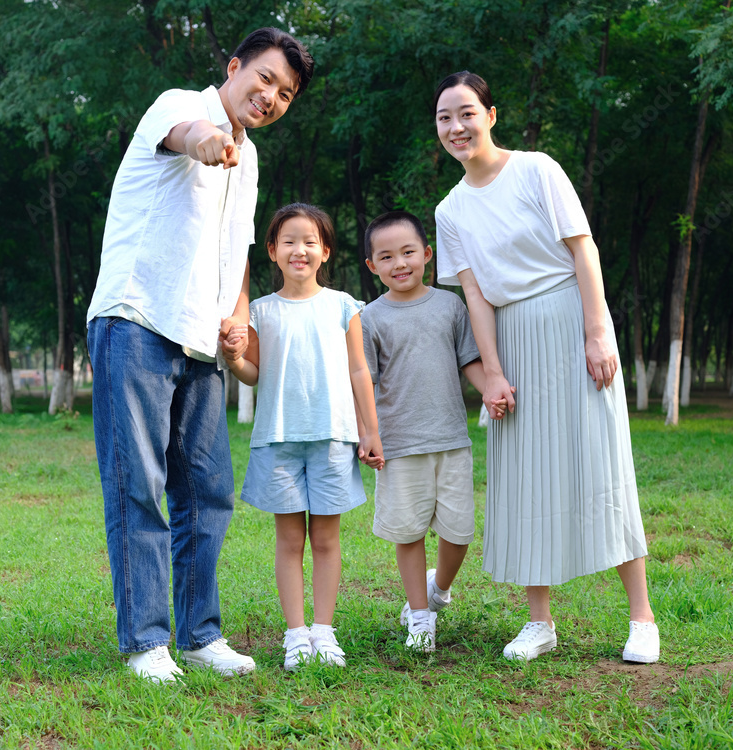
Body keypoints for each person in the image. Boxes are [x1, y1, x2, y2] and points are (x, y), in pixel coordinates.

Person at [85, 28, 314, 684]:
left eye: (286, 93)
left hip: (200, 340)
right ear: (236, 67)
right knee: (138, 484)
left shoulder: (255, 158)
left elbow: (235, 250)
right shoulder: (178, 103)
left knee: (207, 490)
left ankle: (200, 635)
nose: (271, 96)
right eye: (265, 79)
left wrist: (237, 318)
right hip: (137, 318)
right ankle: (145, 642)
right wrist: (208, 143)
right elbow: (186, 135)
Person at [432, 71, 659, 664]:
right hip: (511, 337)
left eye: (466, 113)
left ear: (491, 114)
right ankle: (539, 622)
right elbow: (475, 297)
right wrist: (495, 373)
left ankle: (641, 617)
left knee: (601, 462)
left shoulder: (537, 169)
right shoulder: (450, 210)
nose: (456, 126)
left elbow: (583, 249)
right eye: (444, 118)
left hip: (569, 320)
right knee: (523, 474)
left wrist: (597, 332)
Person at [225, 203, 384, 671]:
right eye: (289, 241)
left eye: (310, 241)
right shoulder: (259, 312)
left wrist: (369, 430)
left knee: (328, 541)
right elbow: (253, 373)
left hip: (333, 437)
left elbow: (359, 370)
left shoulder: (343, 306)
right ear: (272, 252)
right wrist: (234, 359)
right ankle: (295, 635)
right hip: (278, 439)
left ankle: (323, 631)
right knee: (290, 540)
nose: (300, 249)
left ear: (325, 251)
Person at [361, 211, 511, 652]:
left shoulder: (450, 305)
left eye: (408, 252)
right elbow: (364, 381)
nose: (399, 263)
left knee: (459, 532)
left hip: (450, 440)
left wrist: (490, 391)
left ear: (426, 254)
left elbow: (469, 362)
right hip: (400, 445)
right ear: (372, 266)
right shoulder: (370, 318)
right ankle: (420, 618)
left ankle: (438, 589)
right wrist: (367, 433)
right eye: (386, 256)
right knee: (408, 533)